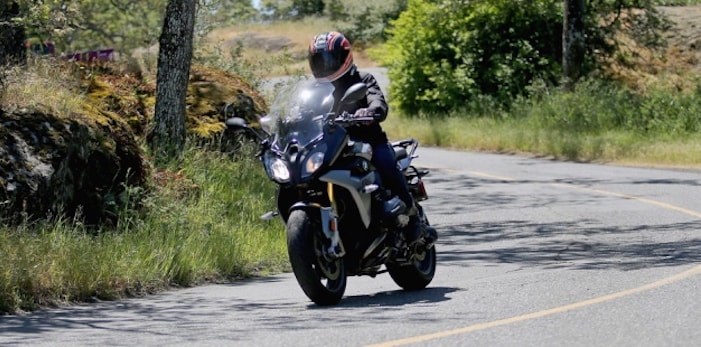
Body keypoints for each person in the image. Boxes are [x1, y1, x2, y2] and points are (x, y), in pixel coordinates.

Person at [307, 31, 435, 250]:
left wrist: (371, 110)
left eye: (330, 59)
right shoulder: (314, 91)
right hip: (333, 147)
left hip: (368, 143)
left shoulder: (363, 80)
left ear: (345, 56)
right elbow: (302, 112)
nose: (326, 65)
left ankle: (411, 215)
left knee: (385, 162)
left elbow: (377, 101)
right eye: (320, 60)